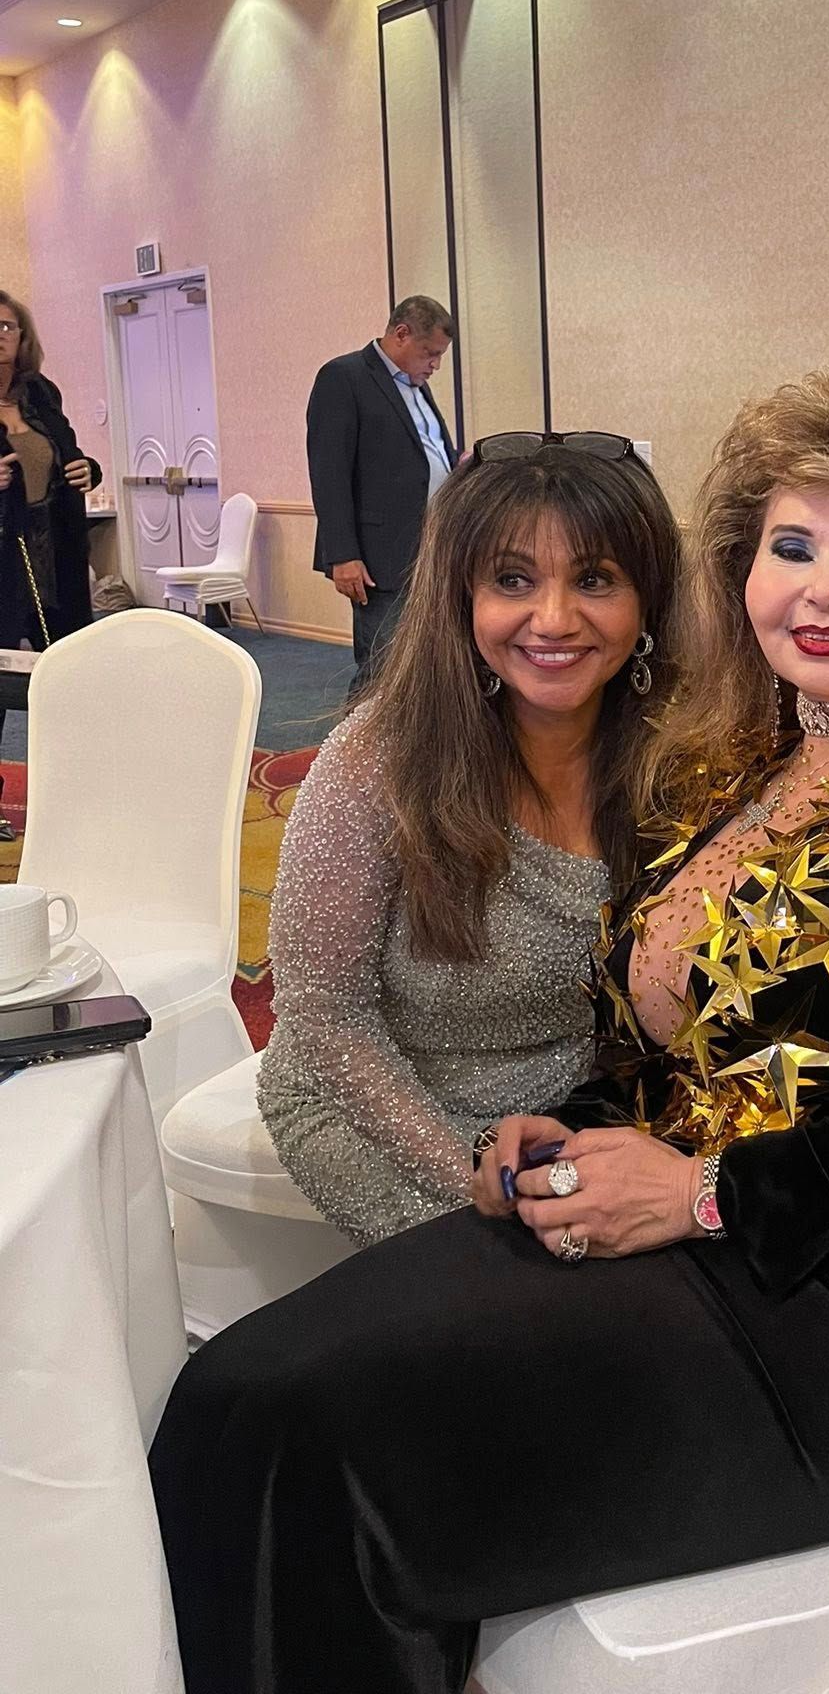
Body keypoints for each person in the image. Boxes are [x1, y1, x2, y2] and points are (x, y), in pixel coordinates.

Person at [150, 367, 829, 1694]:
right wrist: (562, 1127)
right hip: (688, 1236)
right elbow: (673, 1051)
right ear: (741, 570)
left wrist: (701, 1194)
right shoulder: (737, 752)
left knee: (336, 1459)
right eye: (790, 548)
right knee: (238, 1397)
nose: (823, 587)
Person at [258, 432, 681, 1243]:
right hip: (379, 1105)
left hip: (576, 1107)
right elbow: (325, 1017)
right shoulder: (376, 758)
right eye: (512, 580)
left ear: (649, 600)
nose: (553, 619)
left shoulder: (680, 754)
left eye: (595, 579)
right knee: (524, 1312)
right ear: (461, 598)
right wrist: (475, 1175)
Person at [306, 294, 456, 694]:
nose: (435, 365)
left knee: (422, 662)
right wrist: (343, 555)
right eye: (430, 353)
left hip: (430, 545)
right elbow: (329, 472)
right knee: (383, 666)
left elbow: (426, 454)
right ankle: (354, 754)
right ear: (401, 334)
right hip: (379, 554)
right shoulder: (344, 377)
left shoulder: (417, 386)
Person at [0, 291, 102, 841]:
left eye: (7, 326)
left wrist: (91, 469)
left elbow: (70, 453)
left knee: (66, 683)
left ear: (22, 336)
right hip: (2, 565)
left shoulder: (40, 393)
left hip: (54, 559)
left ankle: (70, 799)